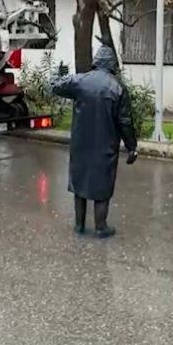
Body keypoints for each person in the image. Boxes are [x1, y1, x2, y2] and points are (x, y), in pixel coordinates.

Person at [52, 45, 138, 238]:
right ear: (112, 65)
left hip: (81, 144)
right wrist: (132, 147)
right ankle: (101, 227)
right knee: (102, 186)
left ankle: (79, 225)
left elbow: (55, 85)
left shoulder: (80, 81)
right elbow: (125, 122)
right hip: (105, 146)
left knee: (80, 184)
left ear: (95, 62)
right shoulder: (117, 88)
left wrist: (61, 73)